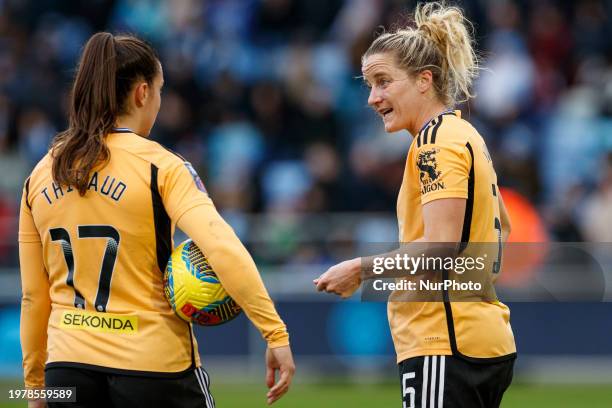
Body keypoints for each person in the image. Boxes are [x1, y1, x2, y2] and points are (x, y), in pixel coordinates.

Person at [19, 32, 294, 408]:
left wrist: (36, 386)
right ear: (142, 93)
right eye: (161, 91)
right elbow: (219, 244)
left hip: (67, 366)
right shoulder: (161, 166)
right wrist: (274, 332)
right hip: (153, 364)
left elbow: (35, 296)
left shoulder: (41, 173)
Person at [315, 3, 516, 407]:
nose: (372, 98)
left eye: (383, 82)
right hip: (479, 335)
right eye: (369, 84)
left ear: (424, 80)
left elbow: (440, 250)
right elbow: (501, 229)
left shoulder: (433, 144)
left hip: (444, 341)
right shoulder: (465, 135)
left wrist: (360, 268)